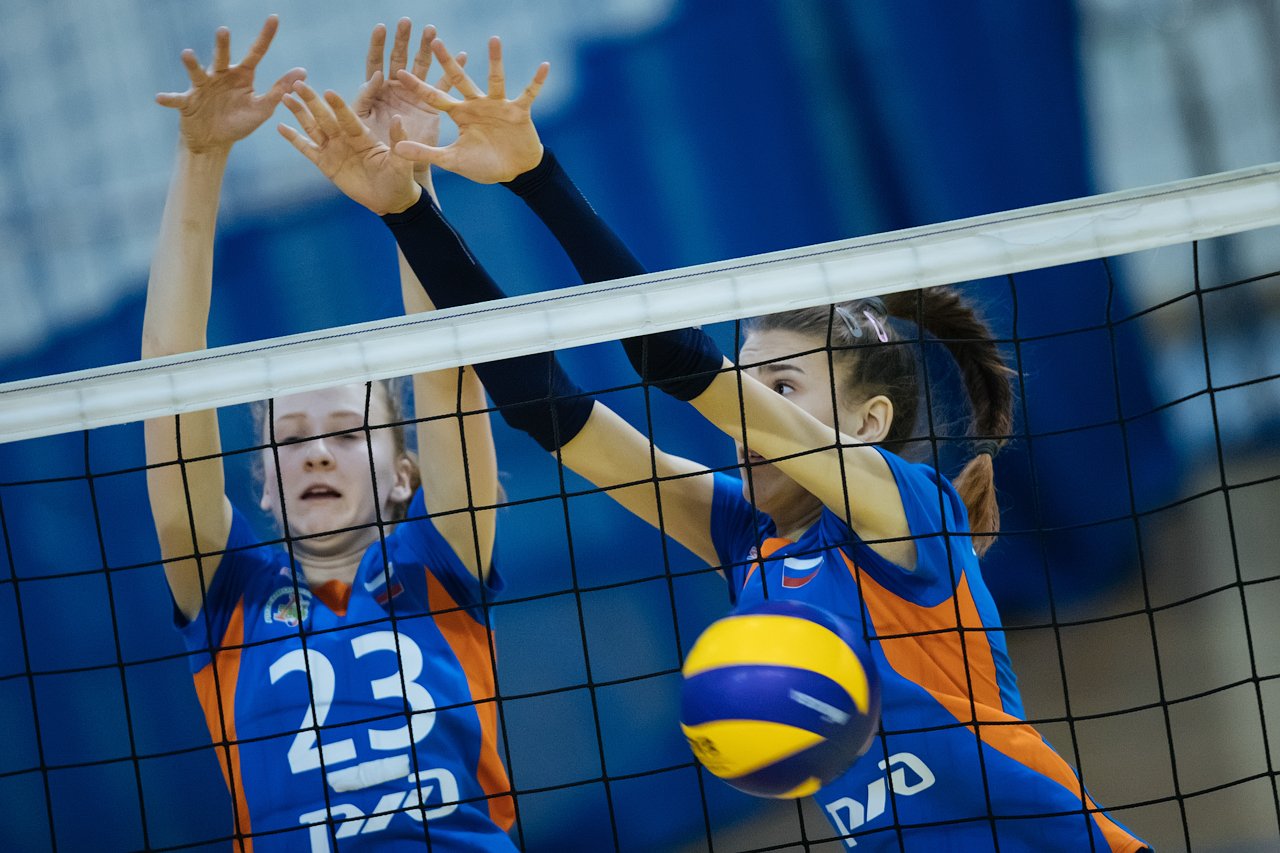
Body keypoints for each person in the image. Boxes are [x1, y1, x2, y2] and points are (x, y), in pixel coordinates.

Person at [278, 32, 1150, 852]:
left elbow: (677, 360)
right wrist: (410, 214)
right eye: (751, 378)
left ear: (867, 423)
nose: (751, 412)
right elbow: (549, 409)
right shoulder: (746, 539)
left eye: (781, 386)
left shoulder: (904, 511)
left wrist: (538, 177)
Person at [143, 17, 516, 851]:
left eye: (347, 433)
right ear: (265, 486)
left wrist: (411, 188)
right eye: (291, 439)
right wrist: (200, 159)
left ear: (402, 473)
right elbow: (167, 377)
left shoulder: (439, 560)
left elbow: (447, 369)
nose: (314, 448)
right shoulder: (229, 595)